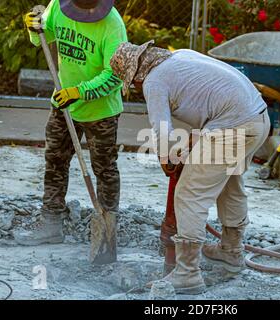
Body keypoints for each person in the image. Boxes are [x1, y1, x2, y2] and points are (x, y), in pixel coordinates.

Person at [111, 41, 270, 294]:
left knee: (188, 194)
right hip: (258, 119)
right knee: (230, 184)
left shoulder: (153, 81)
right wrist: (193, 142)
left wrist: (167, 160)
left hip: (233, 126)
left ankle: (187, 274)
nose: (137, 89)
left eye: (133, 85)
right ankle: (231, 251)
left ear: (136, 77)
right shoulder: (181, 56)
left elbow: (162, 131)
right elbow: (209, 98)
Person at [14, 0, 127, 245]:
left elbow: (116, 76)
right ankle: (51, 223)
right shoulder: (59, 5)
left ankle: (107, 232)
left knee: (104, 169)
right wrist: (34, 28)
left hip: (101, 112)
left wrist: (80, 92)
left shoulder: (112, 25)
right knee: (55, 160)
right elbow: (46, 36)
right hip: (63, 103)